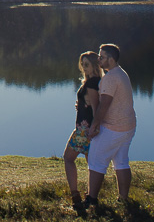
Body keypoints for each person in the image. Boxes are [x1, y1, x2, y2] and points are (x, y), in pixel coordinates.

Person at [81, 43, 136, 212]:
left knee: (96, 161)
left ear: (111, 60)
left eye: (102, 57)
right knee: (121, 162)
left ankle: (92, 200)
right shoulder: (122, 73)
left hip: (114, 128)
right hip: (128, 127)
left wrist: (94, 127)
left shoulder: (111, 78)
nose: (99, 60)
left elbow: (104, 106)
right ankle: (123, 199)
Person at [64, 50, 103, 213]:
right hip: (88, 128)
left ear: (94, 65)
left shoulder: (92, 83)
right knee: (91, 163)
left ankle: (76, 196)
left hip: (85, 130)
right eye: (82, 64)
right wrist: (81, 105)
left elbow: (96, 108)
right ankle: (90, 197)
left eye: (87, 64)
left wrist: (93, 129)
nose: (84, 67)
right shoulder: (95, 81)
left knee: (68, 158)